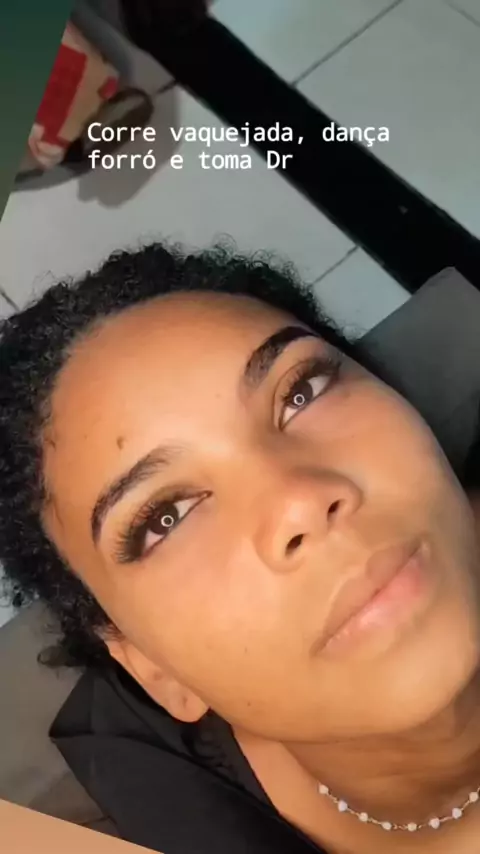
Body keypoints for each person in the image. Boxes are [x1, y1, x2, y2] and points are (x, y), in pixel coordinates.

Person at [1, 242, 480, 854]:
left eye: (301, 391)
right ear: (149, 666)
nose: (298, 500)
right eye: (165, 518)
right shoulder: (146, 795)